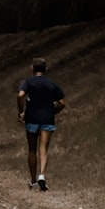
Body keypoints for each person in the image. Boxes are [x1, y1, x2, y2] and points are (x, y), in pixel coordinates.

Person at [17, 57, 66, 191]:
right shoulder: (52, 84)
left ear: (32, 69)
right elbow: (62, 103)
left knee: (32, 149)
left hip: (32, 118)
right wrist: (53, 111)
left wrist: (21, 111)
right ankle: (42, 175)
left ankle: (33, 181)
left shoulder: (28, 82)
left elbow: (20, 95)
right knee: (43, 149)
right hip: (47, 119)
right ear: (46, 69)